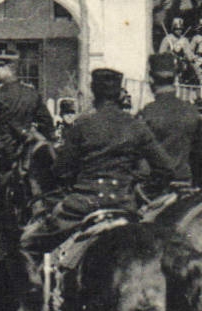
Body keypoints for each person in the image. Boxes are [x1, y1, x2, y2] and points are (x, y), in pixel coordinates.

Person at [19, 68, 180, 256]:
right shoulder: (137, 126)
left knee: (28, 243)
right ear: (119, 93)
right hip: (124, 205)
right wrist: (138, 188)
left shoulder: (82, 125)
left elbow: (61, 170)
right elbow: (166, 168)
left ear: (93, 91)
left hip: (82, 206)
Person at [0, 50, 53, 173]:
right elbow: (47, 122)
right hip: (26, 152)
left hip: (0, 154)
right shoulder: (32, 93)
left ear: (8, 69)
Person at [138, 53, 202, 187]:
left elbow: (139, 158)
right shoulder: (192, 111)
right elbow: (200, 155)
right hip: (185, 185)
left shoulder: (147, 114)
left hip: (155, 187)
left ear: (151, 79)